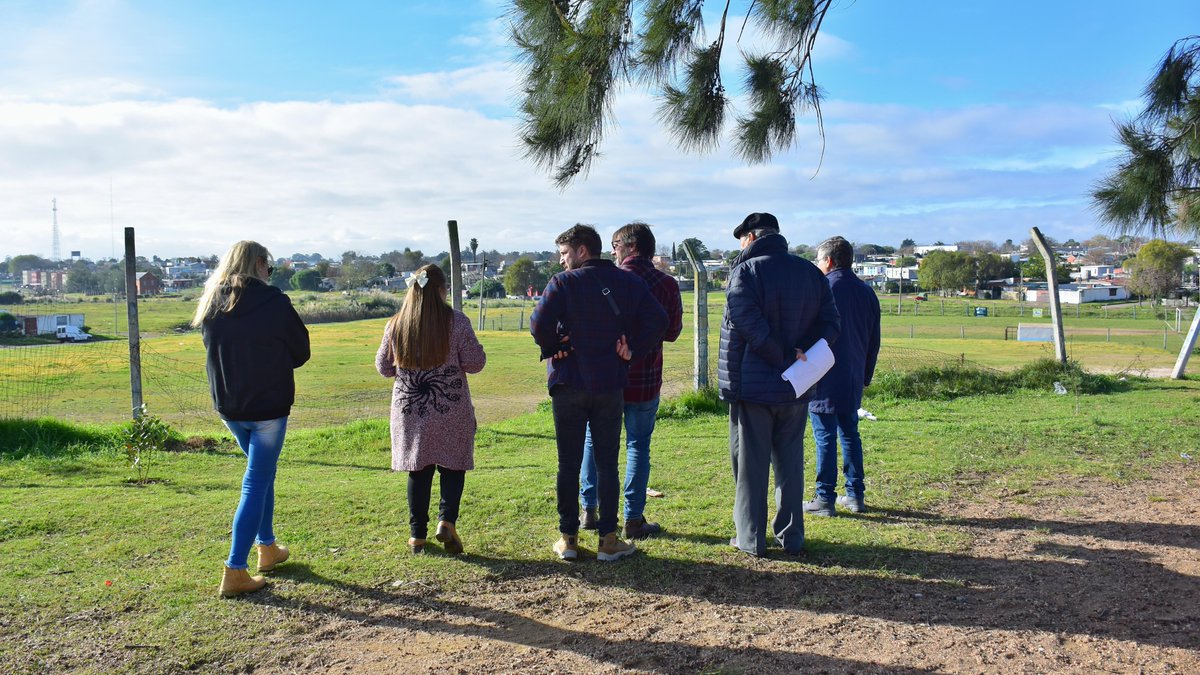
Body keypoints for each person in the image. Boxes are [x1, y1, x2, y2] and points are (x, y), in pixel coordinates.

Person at [531, 224, 668, 561]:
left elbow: (538, 324)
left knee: (569, 462)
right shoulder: (630, 282)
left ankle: (569, 539)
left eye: (565, 253)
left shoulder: (563, 283)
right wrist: (632, 348)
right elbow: (659, 320)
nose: (562, 261)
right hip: (609, 382)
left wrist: (553, 346)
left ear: (582, 251)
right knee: (608, 462)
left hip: (568, 383)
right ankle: (608, 538)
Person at [718, 213, 840, 557]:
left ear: (753, 237)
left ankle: (751, 538)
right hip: (797, 386)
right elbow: (831, 323)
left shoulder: (746, 271)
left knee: (749, 466)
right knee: (790, 463)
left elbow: (747, 322)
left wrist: (783, 356)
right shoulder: (809, 272)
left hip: (754, 385)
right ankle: (791, 535)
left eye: (742, 237)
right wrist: (806, 352)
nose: (741, 244)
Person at [193, 240, 310, 598]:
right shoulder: (274, 301)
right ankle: (234, 569)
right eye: (269, 267)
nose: (269, 274)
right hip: (268, 408)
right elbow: (301, 351)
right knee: (255, 482)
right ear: (259, 264)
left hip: (229, 406)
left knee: (263, 474)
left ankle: (268, 547)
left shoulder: (211, 300)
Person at [579, 222, 683, 539]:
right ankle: (633, 519)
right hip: (645, 378)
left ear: (631, 246)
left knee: (594, 441)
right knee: (638, 446)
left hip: (605, 377)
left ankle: (588, 510)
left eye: (615, 244)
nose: (612, 250)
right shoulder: (666, 284)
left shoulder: (606, 279)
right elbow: (674, 332)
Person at [375, 264, 486, 555]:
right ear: (440, 290)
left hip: (412, 410)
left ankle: (416, 536)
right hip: (450, 408)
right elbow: (475, 363)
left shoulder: (396, 324)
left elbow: (383, 368)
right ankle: (447, 522)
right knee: (453, 466)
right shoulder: (457, 322)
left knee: (418, 471)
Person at [804, 237, 881, 515]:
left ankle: (824, 497)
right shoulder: (866, 292)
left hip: (823, 374)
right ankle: (855, 494)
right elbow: (874, 339)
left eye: (819, 259)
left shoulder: (823, 289)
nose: (817, 264)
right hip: (852, 375)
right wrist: (865, 375)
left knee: (824, 436)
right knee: (850, 434)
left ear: (830, 261)